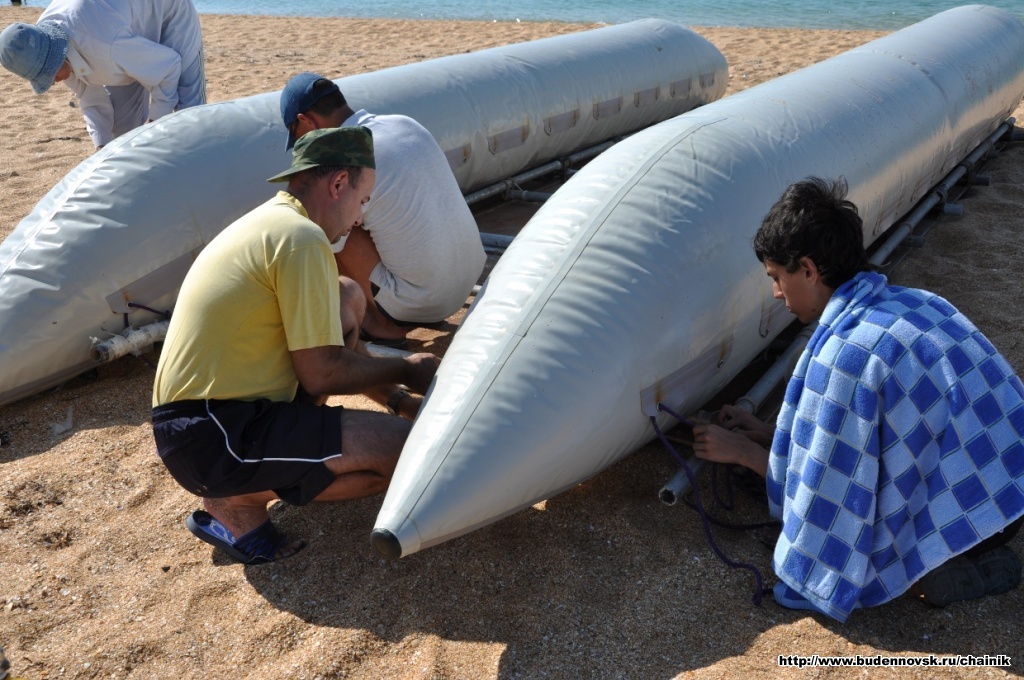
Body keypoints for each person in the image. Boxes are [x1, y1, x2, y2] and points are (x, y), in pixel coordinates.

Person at [692, 177, 1024, 622]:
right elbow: (870, 439)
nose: (775, 293)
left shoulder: (848, 353)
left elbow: (834, 491)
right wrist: (775, 436)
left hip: (976, 521)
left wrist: (742, 453)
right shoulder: (916, 302)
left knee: (857, 560)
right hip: (1010, 488)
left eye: (776, 277)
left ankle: (955, 569)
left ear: (808, 269)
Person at [151, 126, 441, 565]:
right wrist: (407, 368)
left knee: (345, 295)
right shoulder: (301, 238)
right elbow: (323, 371)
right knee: (407, 451)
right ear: (338, 183)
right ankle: (236, 501)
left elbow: (331, 348)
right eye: (362, 200)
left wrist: (399, 400)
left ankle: (272, 469)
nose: (359, 217)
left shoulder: (277, 222)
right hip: (214, 433)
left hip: (204, 421)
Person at [279, 72, 486, 346]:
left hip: (424, 302)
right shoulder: (404, 123)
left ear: (306, 121)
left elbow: (320, 241)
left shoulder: (342, 158)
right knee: (363, 212)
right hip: (469, 282)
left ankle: (379, 326)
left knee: (328, 225)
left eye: (298, 137)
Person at [0, 0, 205, 148]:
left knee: (191, 115)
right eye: (41, 76)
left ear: (57, 54)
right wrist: (102, 146)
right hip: (124, 30)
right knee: (120, 134)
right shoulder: (42, 42)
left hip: (170, 14)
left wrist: (155, 121)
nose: (52, 82)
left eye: (48, 73)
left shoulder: (106, 46)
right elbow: (90, 97)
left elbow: (169, 67)